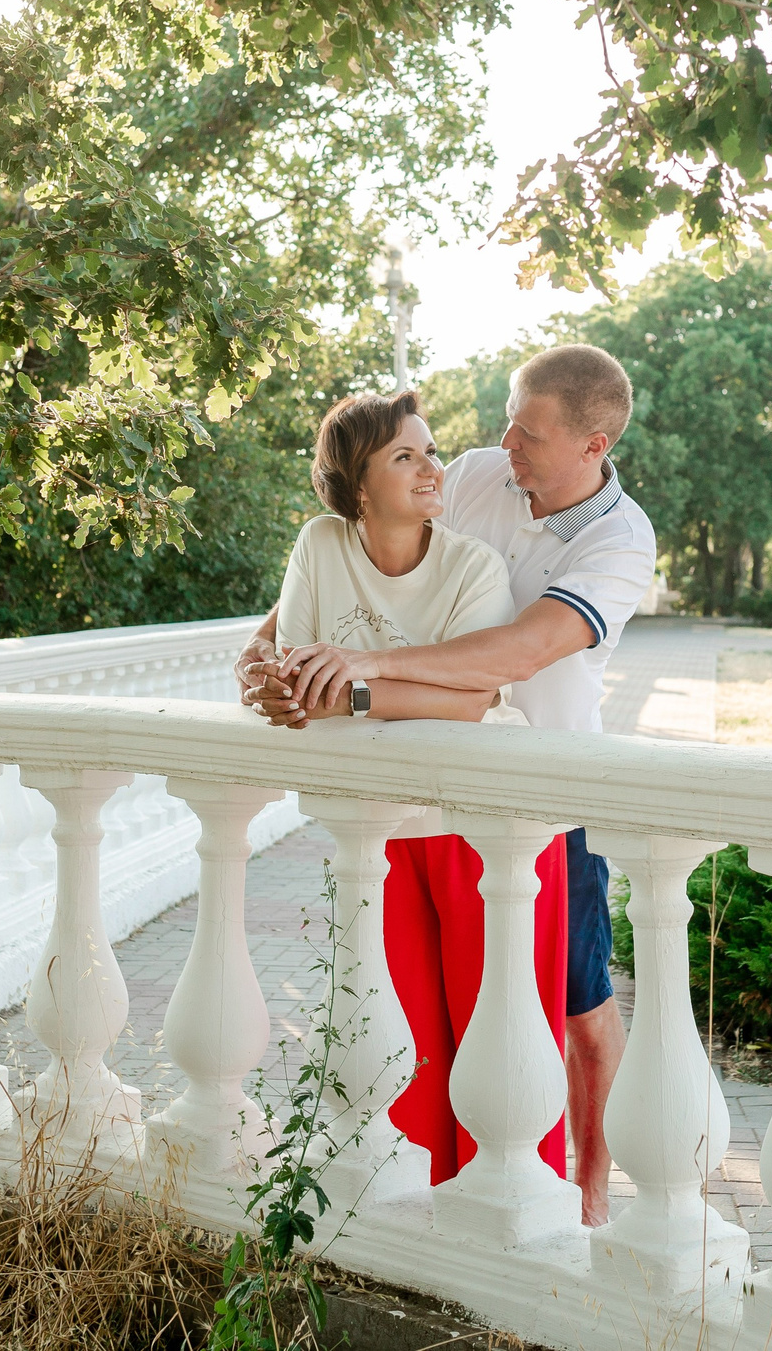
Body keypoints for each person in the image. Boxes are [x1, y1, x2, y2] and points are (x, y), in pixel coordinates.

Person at [237, 344, 654, 1226]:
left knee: (578, 1010)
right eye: (509, 417)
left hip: (546, 794)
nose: (506, 440)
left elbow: (518, 653)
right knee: (430, 1018)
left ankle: (587, 1190)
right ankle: (439, 1192)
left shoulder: (621, 542)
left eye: (531, 432)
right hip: (419, 801)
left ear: (593, 444)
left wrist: (360, 670)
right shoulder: (476, 474)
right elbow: (360, 537)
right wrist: (266, 645)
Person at [259, 388, 565, 1190]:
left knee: (496, 1036)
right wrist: (286, 684)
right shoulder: (321, 546)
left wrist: (355, 686)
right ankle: (420, 1224)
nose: (433, 468)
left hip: (479, 830)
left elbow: (470, 698)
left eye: (431, 450)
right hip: (378, 831)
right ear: (358, 486)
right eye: (406, 455)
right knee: (404, 1047)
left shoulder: (472, 565)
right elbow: (293, 671)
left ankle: (517, 1228)